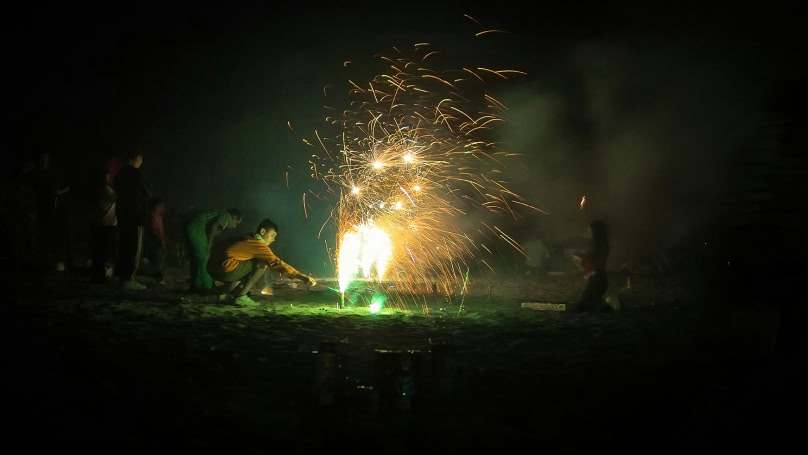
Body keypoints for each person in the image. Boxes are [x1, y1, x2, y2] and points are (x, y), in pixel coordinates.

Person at [207, 218, 316, 306]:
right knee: (261, 264)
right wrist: (302, 277)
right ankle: (241, 297)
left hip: (212, 267)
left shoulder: (247, 237)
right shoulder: (258, 245)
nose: (273, 239)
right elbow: (276, 262)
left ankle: (224, 294)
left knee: (243, 262)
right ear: (263, 231)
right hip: (224, 268)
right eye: (272, 235)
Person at [113, 148, 152, 290]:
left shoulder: (119, 174)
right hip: (135, 215)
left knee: (123, 246)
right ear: (137, 158)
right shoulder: (136, 173)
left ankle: (117, 276)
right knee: (133, 247)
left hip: (122, 214)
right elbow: (147, 192)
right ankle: (128, 278)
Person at [184, 208, 242, 294]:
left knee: (199, 259)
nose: (235, 226)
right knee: (204, 257)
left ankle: (197, 285)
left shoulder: (219, 214)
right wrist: (209, 244)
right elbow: (215, 226)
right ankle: (207, 286)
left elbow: (211, 230)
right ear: (234, 217)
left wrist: (210, 243)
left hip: (195, 228)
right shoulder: (226, 216)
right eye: (236, 223)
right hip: (197, 229)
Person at [568, 219, 611, 312]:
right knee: (592, 305)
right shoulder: (601, 245)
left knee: (581, 306)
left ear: (595, 232)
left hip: (597, 280)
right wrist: (579, 256)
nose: (588, 233)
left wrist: (578, 256)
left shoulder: (597, 246)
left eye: (590, 231)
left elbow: (594, 260)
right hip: (599, 279)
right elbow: (591, 258)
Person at [89, 165, 118, 283]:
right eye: (106, 177)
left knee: (98, 252)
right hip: (106, 225)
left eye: (108, 177)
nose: (107, 179)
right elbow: (118, 199)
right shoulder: (105, 189)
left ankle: (97, 275)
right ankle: (101, 276)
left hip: (99, 224)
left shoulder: (97, 190)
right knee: (104, 252)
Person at [141, 196, 167, 284]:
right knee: (157, 260)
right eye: (161, 205)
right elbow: (154, 230)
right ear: (155, 206)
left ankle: (157, 277)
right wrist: (160, 240)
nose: (163, 207)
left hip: (158, 241)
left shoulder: (158, 216)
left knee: (159, 260)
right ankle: (156, 277)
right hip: (155, 243)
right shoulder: (152, 216)